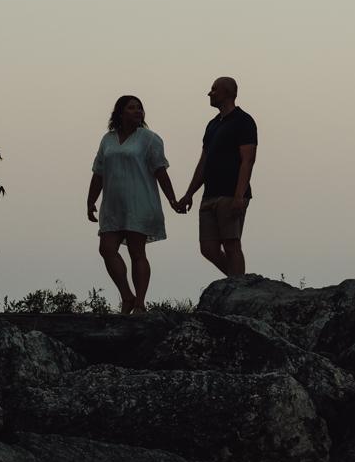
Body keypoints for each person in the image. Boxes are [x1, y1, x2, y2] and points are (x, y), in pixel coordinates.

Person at [86, 95, 181, 314]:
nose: (138, 111)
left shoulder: (149, 139)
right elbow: (98, 172)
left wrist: (172, 199)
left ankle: (139, 302)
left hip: (140, 203)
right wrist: (90, 200)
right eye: (132, 108)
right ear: (120, 113)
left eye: (140, 108)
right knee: (107, 249)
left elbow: (160, 171)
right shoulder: (107, 140)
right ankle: (126, 295)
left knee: (137, 253)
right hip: (113, 205)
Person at [177, 75, 257, 278]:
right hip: (209, 194)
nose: (209, 93)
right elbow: (204, 161)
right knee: (208, 248)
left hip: (231, 194)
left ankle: (238, 288)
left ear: (228, 92)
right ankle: (235, 280)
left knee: (231, 243)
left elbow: (247, 160)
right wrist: (189, 194)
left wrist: (239, 196)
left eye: (214, 89)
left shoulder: (244, 121)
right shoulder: (212, 125)